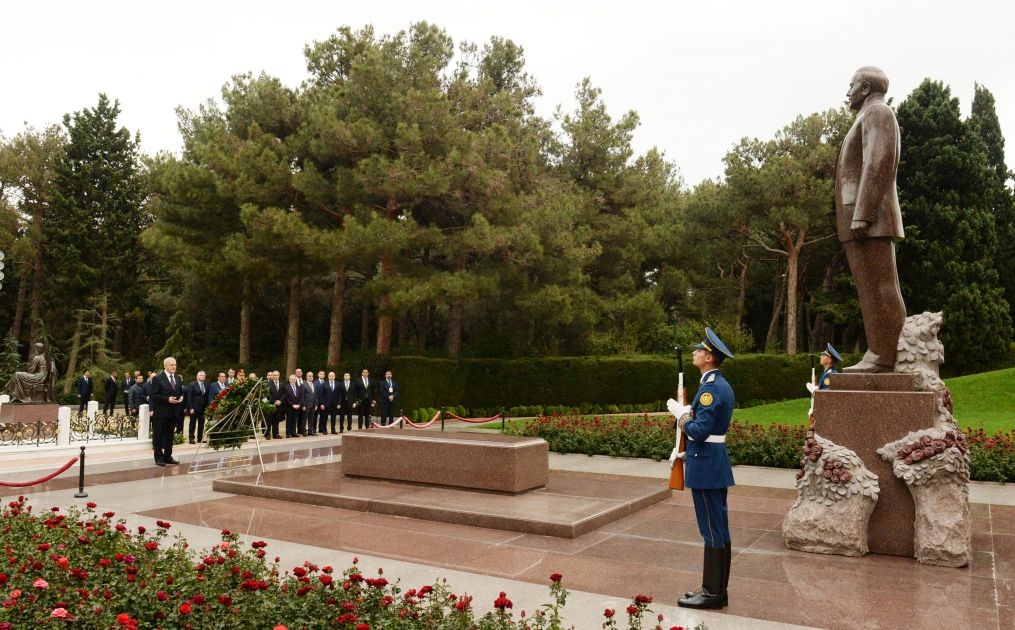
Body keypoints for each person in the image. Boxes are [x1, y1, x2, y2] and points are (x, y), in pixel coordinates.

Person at [836, 66, 906, 373]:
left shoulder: (878, 113)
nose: (847, 92)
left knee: (879, 286)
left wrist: (862, 215)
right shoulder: (867, 116)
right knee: (869, 288)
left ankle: (886, 354)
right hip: (861, 219)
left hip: (869, 219)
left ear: (865, 87)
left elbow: (879, 163)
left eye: (851, 85)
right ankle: (880, 351)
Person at [667, 327, 735, 610]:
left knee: (711, 530)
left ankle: (711, 593)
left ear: (709, 357)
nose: (694, 352)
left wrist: (681, 418)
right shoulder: (719, 385)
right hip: (713, 463)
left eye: (698, 350)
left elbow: (700, 430)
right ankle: (718, 591)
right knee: (718, 528)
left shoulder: (710, 389)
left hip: (706, 465)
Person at [148, 357, 184, 467]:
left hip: (173, 412)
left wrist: (181, 397)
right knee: (158, 435)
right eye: (172, 365)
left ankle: (168, 456)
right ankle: (158, 457)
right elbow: (153, 396)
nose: (174, 366)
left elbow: (180, 391)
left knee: (169, 436)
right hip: (161, 412)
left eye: (175, 365)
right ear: (165, 366)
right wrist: (167, 399)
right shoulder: (158, 378)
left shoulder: (177, 378)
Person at [185, 370, 210, 444]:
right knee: (192, 423)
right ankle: (191, 438)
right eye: (201, 375)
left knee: (201, 424)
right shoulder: (192, 385)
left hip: (203, 408)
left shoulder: (206, 385)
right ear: (197, 376)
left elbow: (207, 396)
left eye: (204, 375)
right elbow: (189, 397)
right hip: (194, 408)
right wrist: (191, 408)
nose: (203, 376)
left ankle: (200, 438)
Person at [266, 371, 283, 439]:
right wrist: (274, 401)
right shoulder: (268, 384)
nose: (276, 376)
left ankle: (275, 434)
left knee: (276, 420)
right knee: (269, 420)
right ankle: (267, 434)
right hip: (271, 404)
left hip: (279, 405)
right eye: (274, 375)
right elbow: (267, 394)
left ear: (279, 376)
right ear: (272, 376)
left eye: (277, 375)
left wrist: (280, 401)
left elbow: (284, 393)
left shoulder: (282, 383)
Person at [301, 372, 318, 436]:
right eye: (309, 376)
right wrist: (303, 405)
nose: (311, 377)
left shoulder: (314, 384)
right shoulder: (303, 385)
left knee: (311, 419)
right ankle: (304, 431)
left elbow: (316, 396)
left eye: (312, 376)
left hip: (313, 405)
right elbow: (302, 396)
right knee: (305, 419)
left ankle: (310, 431)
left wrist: (316, 404)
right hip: (306, 405)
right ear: (307, 377)